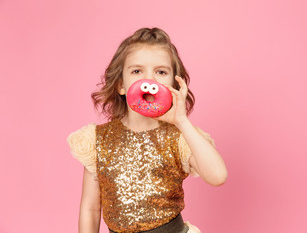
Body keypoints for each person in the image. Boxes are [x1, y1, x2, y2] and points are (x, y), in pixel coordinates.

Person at [67, 27, 228, 233]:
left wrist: (181, 121)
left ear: (173, 84)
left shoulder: (179, 136)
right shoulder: (98, 140)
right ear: (120, 86)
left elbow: (218, 176)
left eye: (161, 72)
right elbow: (90, 208)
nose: (149, 81)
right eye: (137, 71)